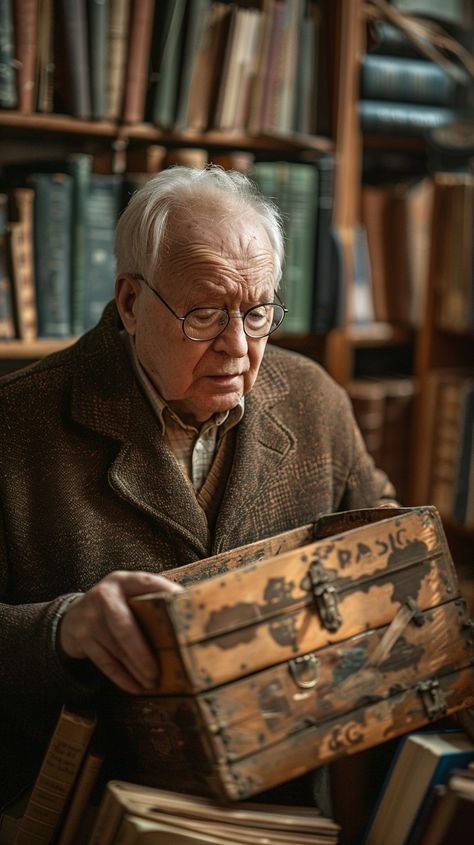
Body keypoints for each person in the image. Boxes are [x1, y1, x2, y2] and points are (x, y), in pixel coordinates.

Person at [0, 165, 396, 814]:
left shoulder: (316, 401)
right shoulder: (16, 424)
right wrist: (62, 628)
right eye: (206, 314)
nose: (238, 347)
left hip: (284, 804)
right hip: (97, 809)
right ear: (130, 303)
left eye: (259, 311)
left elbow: (388, 551)